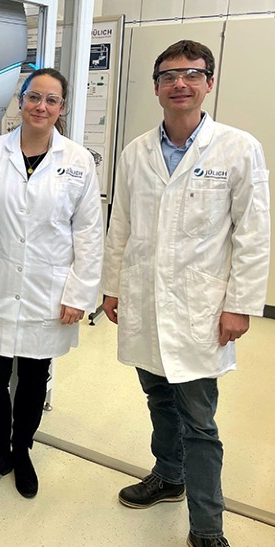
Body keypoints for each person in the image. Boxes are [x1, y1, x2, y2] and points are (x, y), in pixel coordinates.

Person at [101, 40, 270, 547]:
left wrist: (240, 305)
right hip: (145, 302)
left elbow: (253, 234)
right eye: (170, 75)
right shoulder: (136, 152)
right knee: (158, 399)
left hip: (201, 308)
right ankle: (168, 476)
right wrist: (111, 287)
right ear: (156, 87)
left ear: (208, 83)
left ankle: (207, 528)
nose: (180, 83)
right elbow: (121, 226)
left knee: (199, 421)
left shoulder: (238, 148)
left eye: (192, 75)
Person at [0, 68, 104, 498]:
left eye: (51, 100)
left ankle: (22, 451)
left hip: (48, 293)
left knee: (34, 378)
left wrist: (79, 295)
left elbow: (90, 233)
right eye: (34, 97)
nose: (41, 106)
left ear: (62, 109)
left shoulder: (78, 161)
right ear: (21, 101)